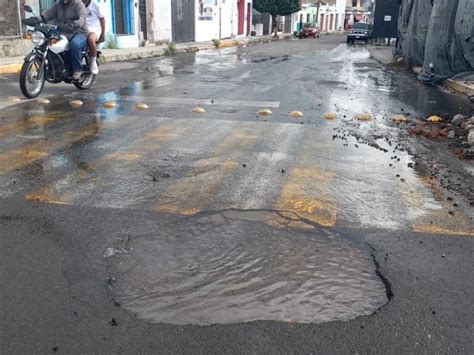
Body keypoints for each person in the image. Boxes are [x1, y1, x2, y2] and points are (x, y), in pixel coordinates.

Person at [42, 0, 88, 80]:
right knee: (49, 43)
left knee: (74, 44)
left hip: (79, 32)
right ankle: (55, 67)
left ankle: (77, 69)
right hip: (63, 33)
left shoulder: (78, 4)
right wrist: (35, 19)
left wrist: (76, 23)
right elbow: (47, 14)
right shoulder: (58, 5)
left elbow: (82, 18)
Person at [82, 0, 105, 75]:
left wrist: (103, 34)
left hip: (94, 29)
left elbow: (102, 19)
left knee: (91, 39)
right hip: (82, 29)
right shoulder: (78, 4)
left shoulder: (95, 5)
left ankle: (93, 61)